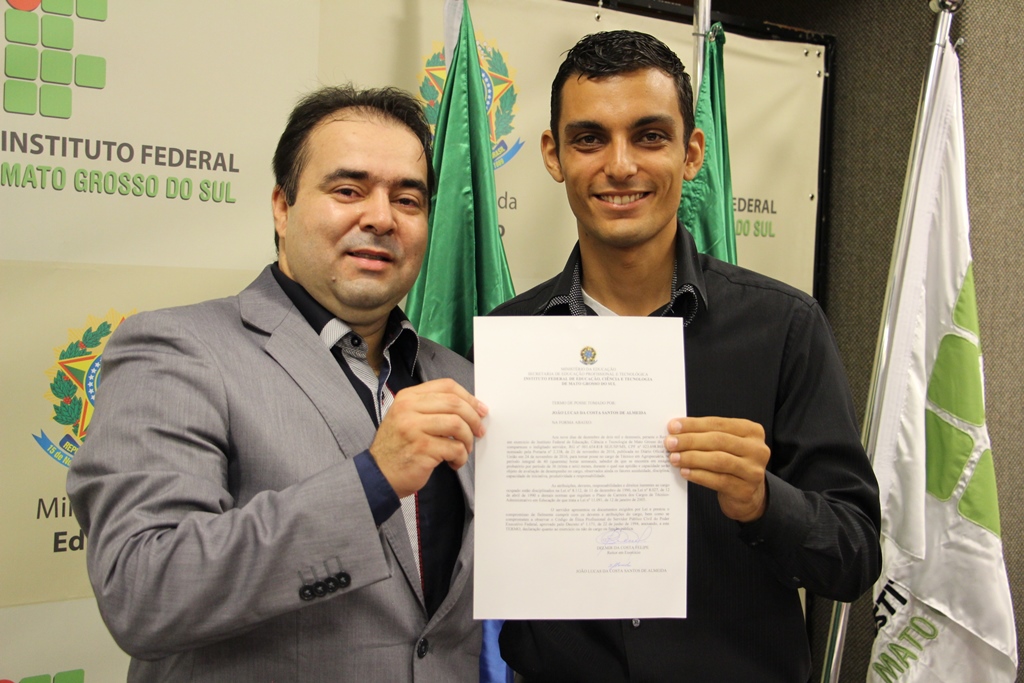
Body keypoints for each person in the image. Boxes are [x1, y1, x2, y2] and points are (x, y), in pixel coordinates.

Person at [490, 30, 881, 682]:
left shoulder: (783, 326)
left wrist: (764, 500)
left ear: (692, 151)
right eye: (590, 139)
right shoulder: (505, 342)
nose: (620, 165)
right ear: (555, 156)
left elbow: (854, 556)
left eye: (649, 135)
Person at [66, 85, 488, 682]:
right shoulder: (176, 351)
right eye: (348, 190)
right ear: (282, 207)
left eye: (408, 199)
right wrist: (373, 478)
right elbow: (145, 590)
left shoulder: (463, 379)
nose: (381, 217)